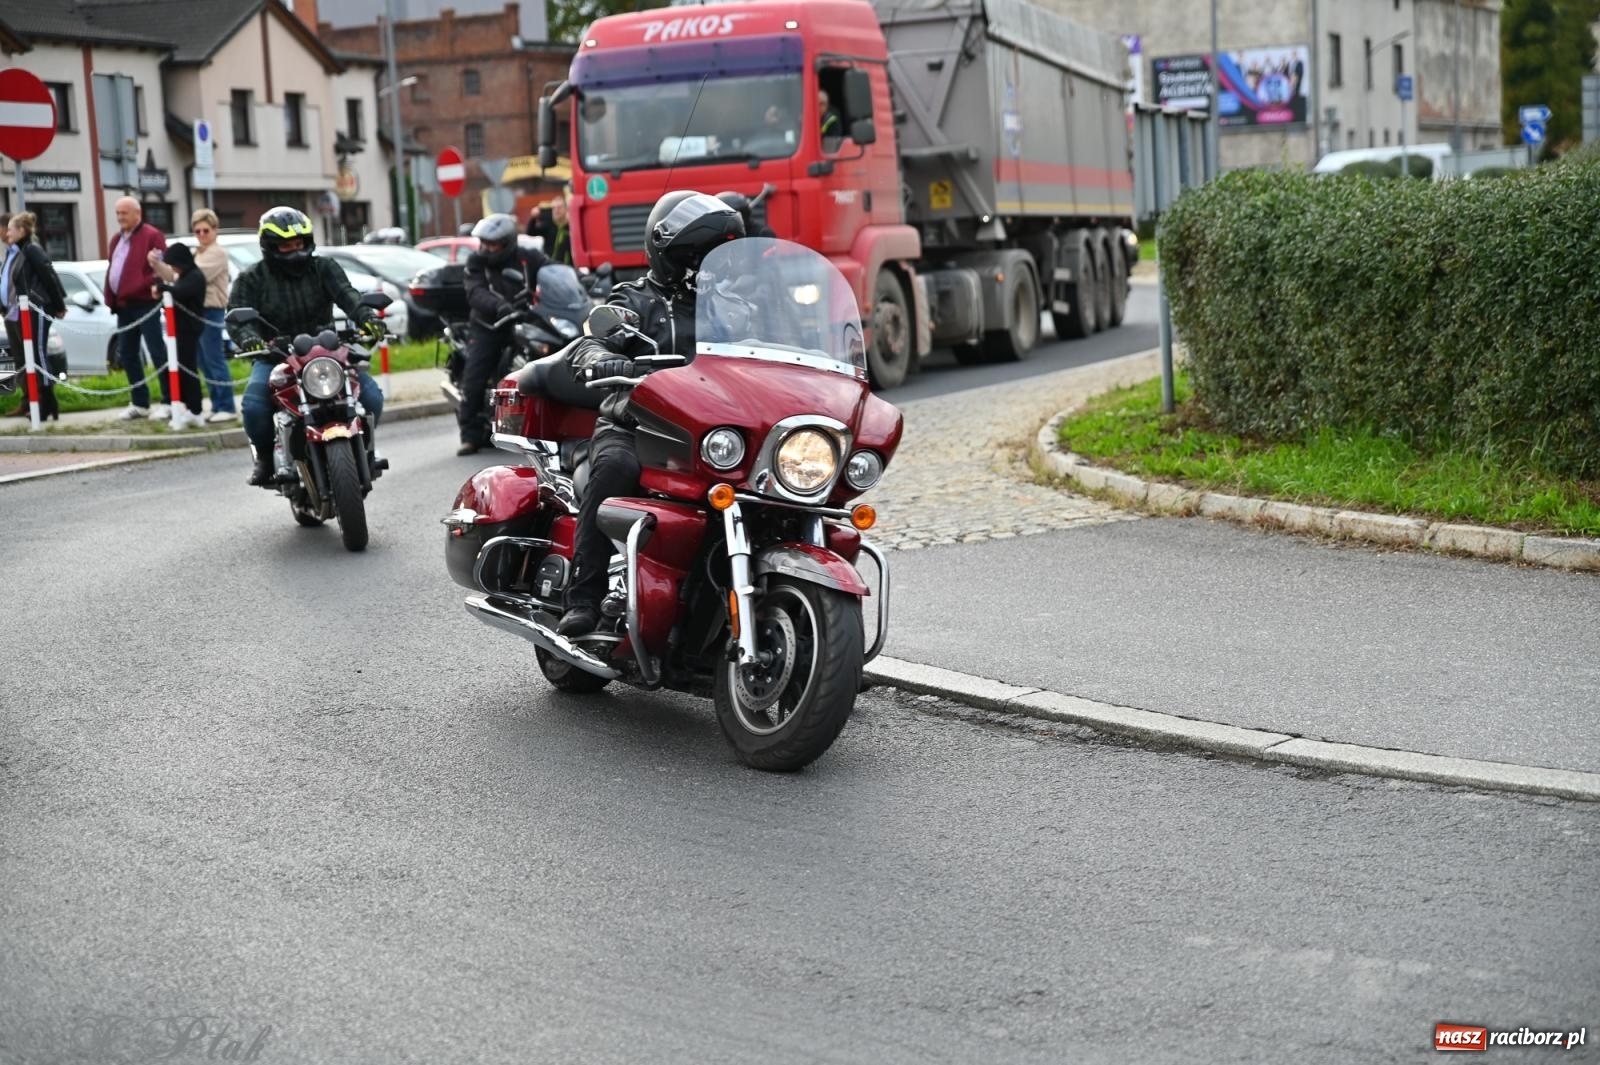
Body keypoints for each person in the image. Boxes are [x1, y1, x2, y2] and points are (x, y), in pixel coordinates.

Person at [556, 190, 744, 636]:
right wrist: (600, 358)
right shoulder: (635, 300)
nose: (702, 264)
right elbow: (589, 338)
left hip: (709, 434)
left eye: (714, 254)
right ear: (668, 254)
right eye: (693, 254)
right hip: (635, 426)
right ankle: (582, 598)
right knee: (614, 468)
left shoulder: (734, 309)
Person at [228, 206, 387, 487]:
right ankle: (265, 458)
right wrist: (249, 338)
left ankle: (365, 449)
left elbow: (349, 296)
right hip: (275, 354)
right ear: (270, 246)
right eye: (287, 245)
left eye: (299, 243)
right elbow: (238, 317)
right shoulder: (252, 278)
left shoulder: (324, 268)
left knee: (371, 395)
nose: (295, 250)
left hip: (325, 351)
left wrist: (368, 318)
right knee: (254, 406)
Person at [458, 212, 550, 455]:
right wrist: (499, 306)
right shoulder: (476, 262)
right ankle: (469, 434)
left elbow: (552, 270)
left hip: (523, 320)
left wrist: (581, 280)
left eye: (493, 243)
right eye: (484, 243)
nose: (487, 248)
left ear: (508, 242)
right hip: (488, 325)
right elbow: (475, 292)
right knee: (475, 376)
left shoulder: (527, 258)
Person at [152, 209, 237, 423]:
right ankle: (217, 405)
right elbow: (177, 276)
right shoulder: (197, 253)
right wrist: (157, 264)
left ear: (215, 230)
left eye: (205, 230)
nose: (201, 235)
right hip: (196, 311)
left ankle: (226, 405)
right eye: (197, 231)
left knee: (213, 358)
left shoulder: (216, 252)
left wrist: (169, 281)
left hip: (211, 310)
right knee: (202, 361)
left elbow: (192, 279)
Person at [103, 197, 173, 420]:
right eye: (117, 213)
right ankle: (140, 402)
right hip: (123, 305)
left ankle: (169, 401)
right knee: (128, 354)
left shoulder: (151, 235)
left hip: (146, 303)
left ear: (137, 213)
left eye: (124, 213)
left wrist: (151, 284)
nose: (120, 217)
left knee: (157, 351)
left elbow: (161, 265)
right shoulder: (116, 239)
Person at [2, 212, 68, 421]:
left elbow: (48, 275)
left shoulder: (31, 250)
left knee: (38, 354)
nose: (8, 233)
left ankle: (47, 402)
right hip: (16, 312)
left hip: (36, 308)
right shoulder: (16, 251)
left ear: (22, 231)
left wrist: (58, 305)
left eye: (11, 229)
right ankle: (35, 402)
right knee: (26, 358)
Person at [153, 242, 206, 430]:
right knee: (180, 369)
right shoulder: (184, 276)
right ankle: (187, 406)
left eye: (173, 263)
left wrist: (163, 288)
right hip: (179, 331)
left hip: (188, 330)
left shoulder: (194, 277)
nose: (172, 267)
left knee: (188, 369)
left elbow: (181, 292)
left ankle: (195, 409)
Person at [525, 195, 573, 265]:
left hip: (567, 268)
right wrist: (533, 219)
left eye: (559, 207)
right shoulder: (548, 224)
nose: (556, 210)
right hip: (549, 267)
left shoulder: (572, 227)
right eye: (554, 208)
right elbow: (531, 233)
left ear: (566, 209)